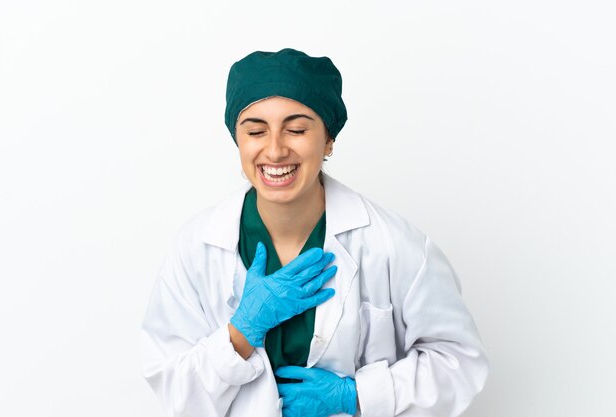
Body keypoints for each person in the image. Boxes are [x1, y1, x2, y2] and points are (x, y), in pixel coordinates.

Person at [141, 48, 489, 417]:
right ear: (238, 141)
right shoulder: (196, 248)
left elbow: (460, 363)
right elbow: (174, 389)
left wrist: (355, 396)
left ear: (328, 140)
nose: (275, 150)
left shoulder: (395, 246)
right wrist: (240, 334)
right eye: (256, 131)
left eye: (296, 129)